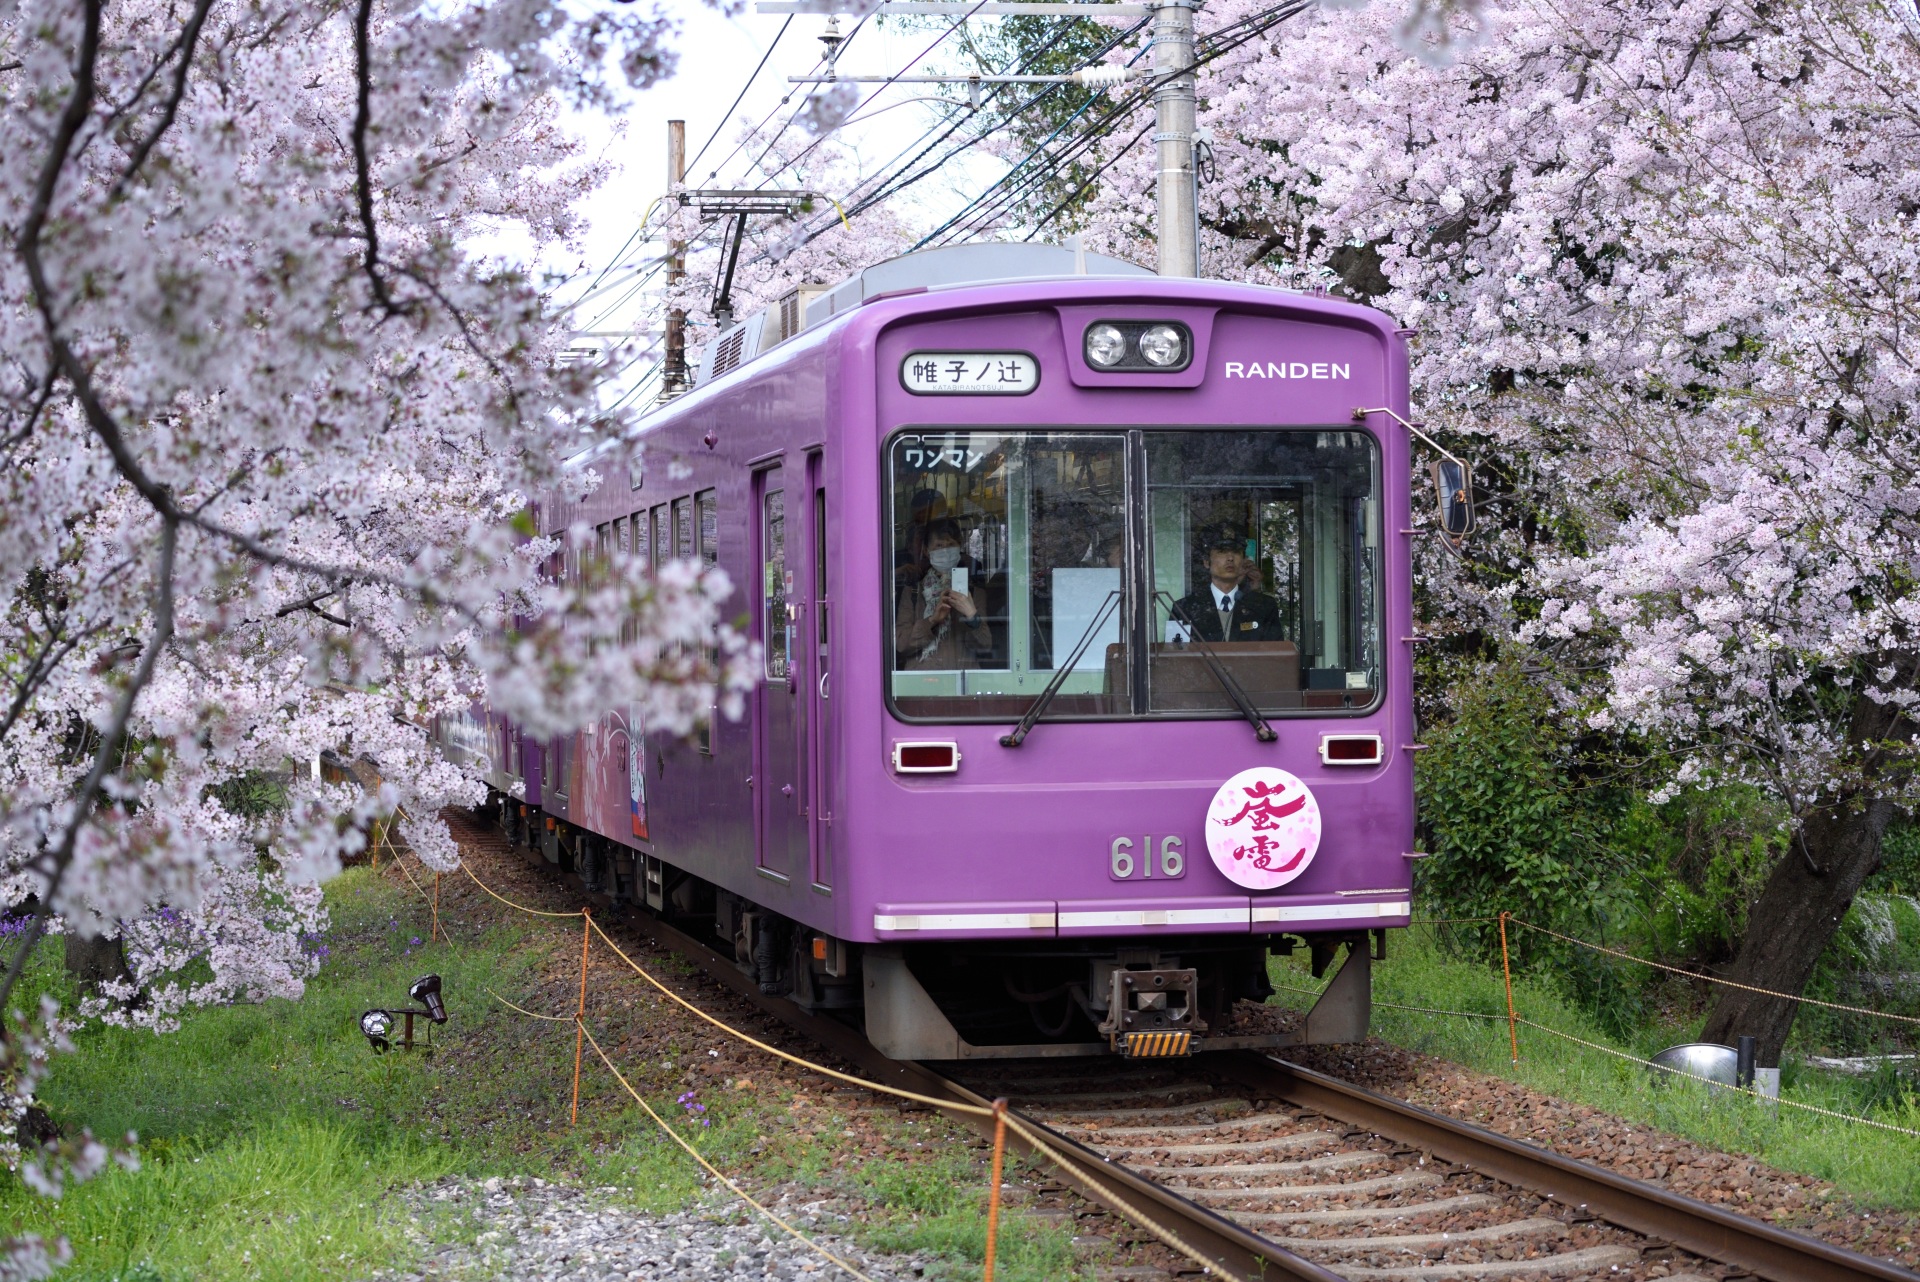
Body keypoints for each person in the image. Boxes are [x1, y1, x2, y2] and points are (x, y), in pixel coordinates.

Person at [895, 519, 991, 669]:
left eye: (951, 545)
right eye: (939, 545)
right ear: (927, 551)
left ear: (960, 546)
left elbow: (985, 645)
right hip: (920, 683)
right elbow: (900, 644)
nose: (945, 551)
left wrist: (972, 616)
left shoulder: (972, 591)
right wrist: (932, 621)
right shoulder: (914, 592)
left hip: (962, 683)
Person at [1169, 536, 1283, 642]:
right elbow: (1174, 656)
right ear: (1206, 562)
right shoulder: (1184, 608)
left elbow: (1274, 655)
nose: (1230, 558)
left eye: (1236, 552)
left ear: (1244, 561)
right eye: (1222, 552)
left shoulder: (1264, 606)